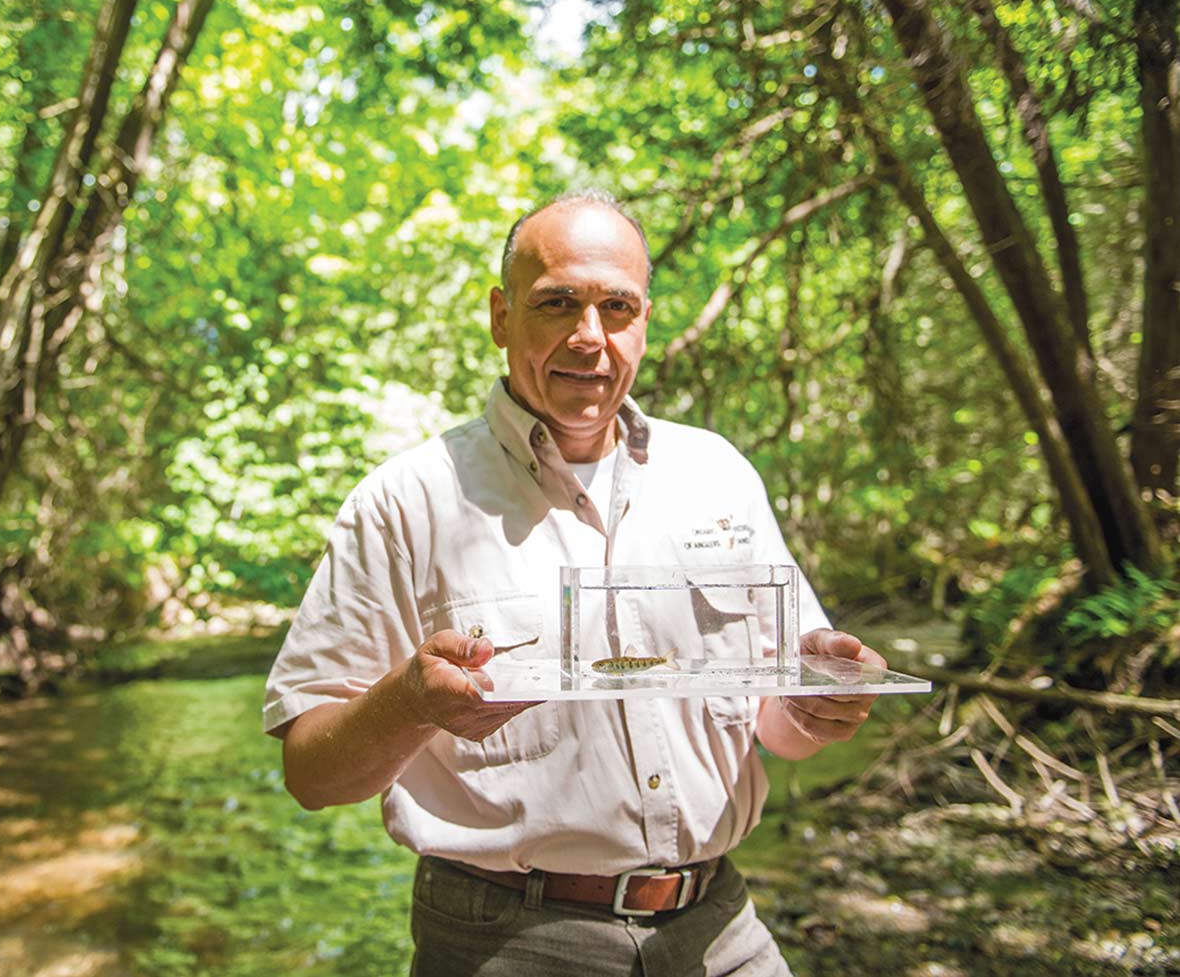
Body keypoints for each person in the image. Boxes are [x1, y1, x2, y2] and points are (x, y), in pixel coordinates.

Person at [262, 191, 888, 976]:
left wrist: (819, 701)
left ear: (645, 320)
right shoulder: (405, 501)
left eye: (615, 306)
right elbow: (310, 774)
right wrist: (412, 702)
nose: (588, 336)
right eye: (556, 303)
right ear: (500, 317)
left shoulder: (718, 473)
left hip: (721, 928)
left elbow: (778, 725)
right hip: (505, 939)